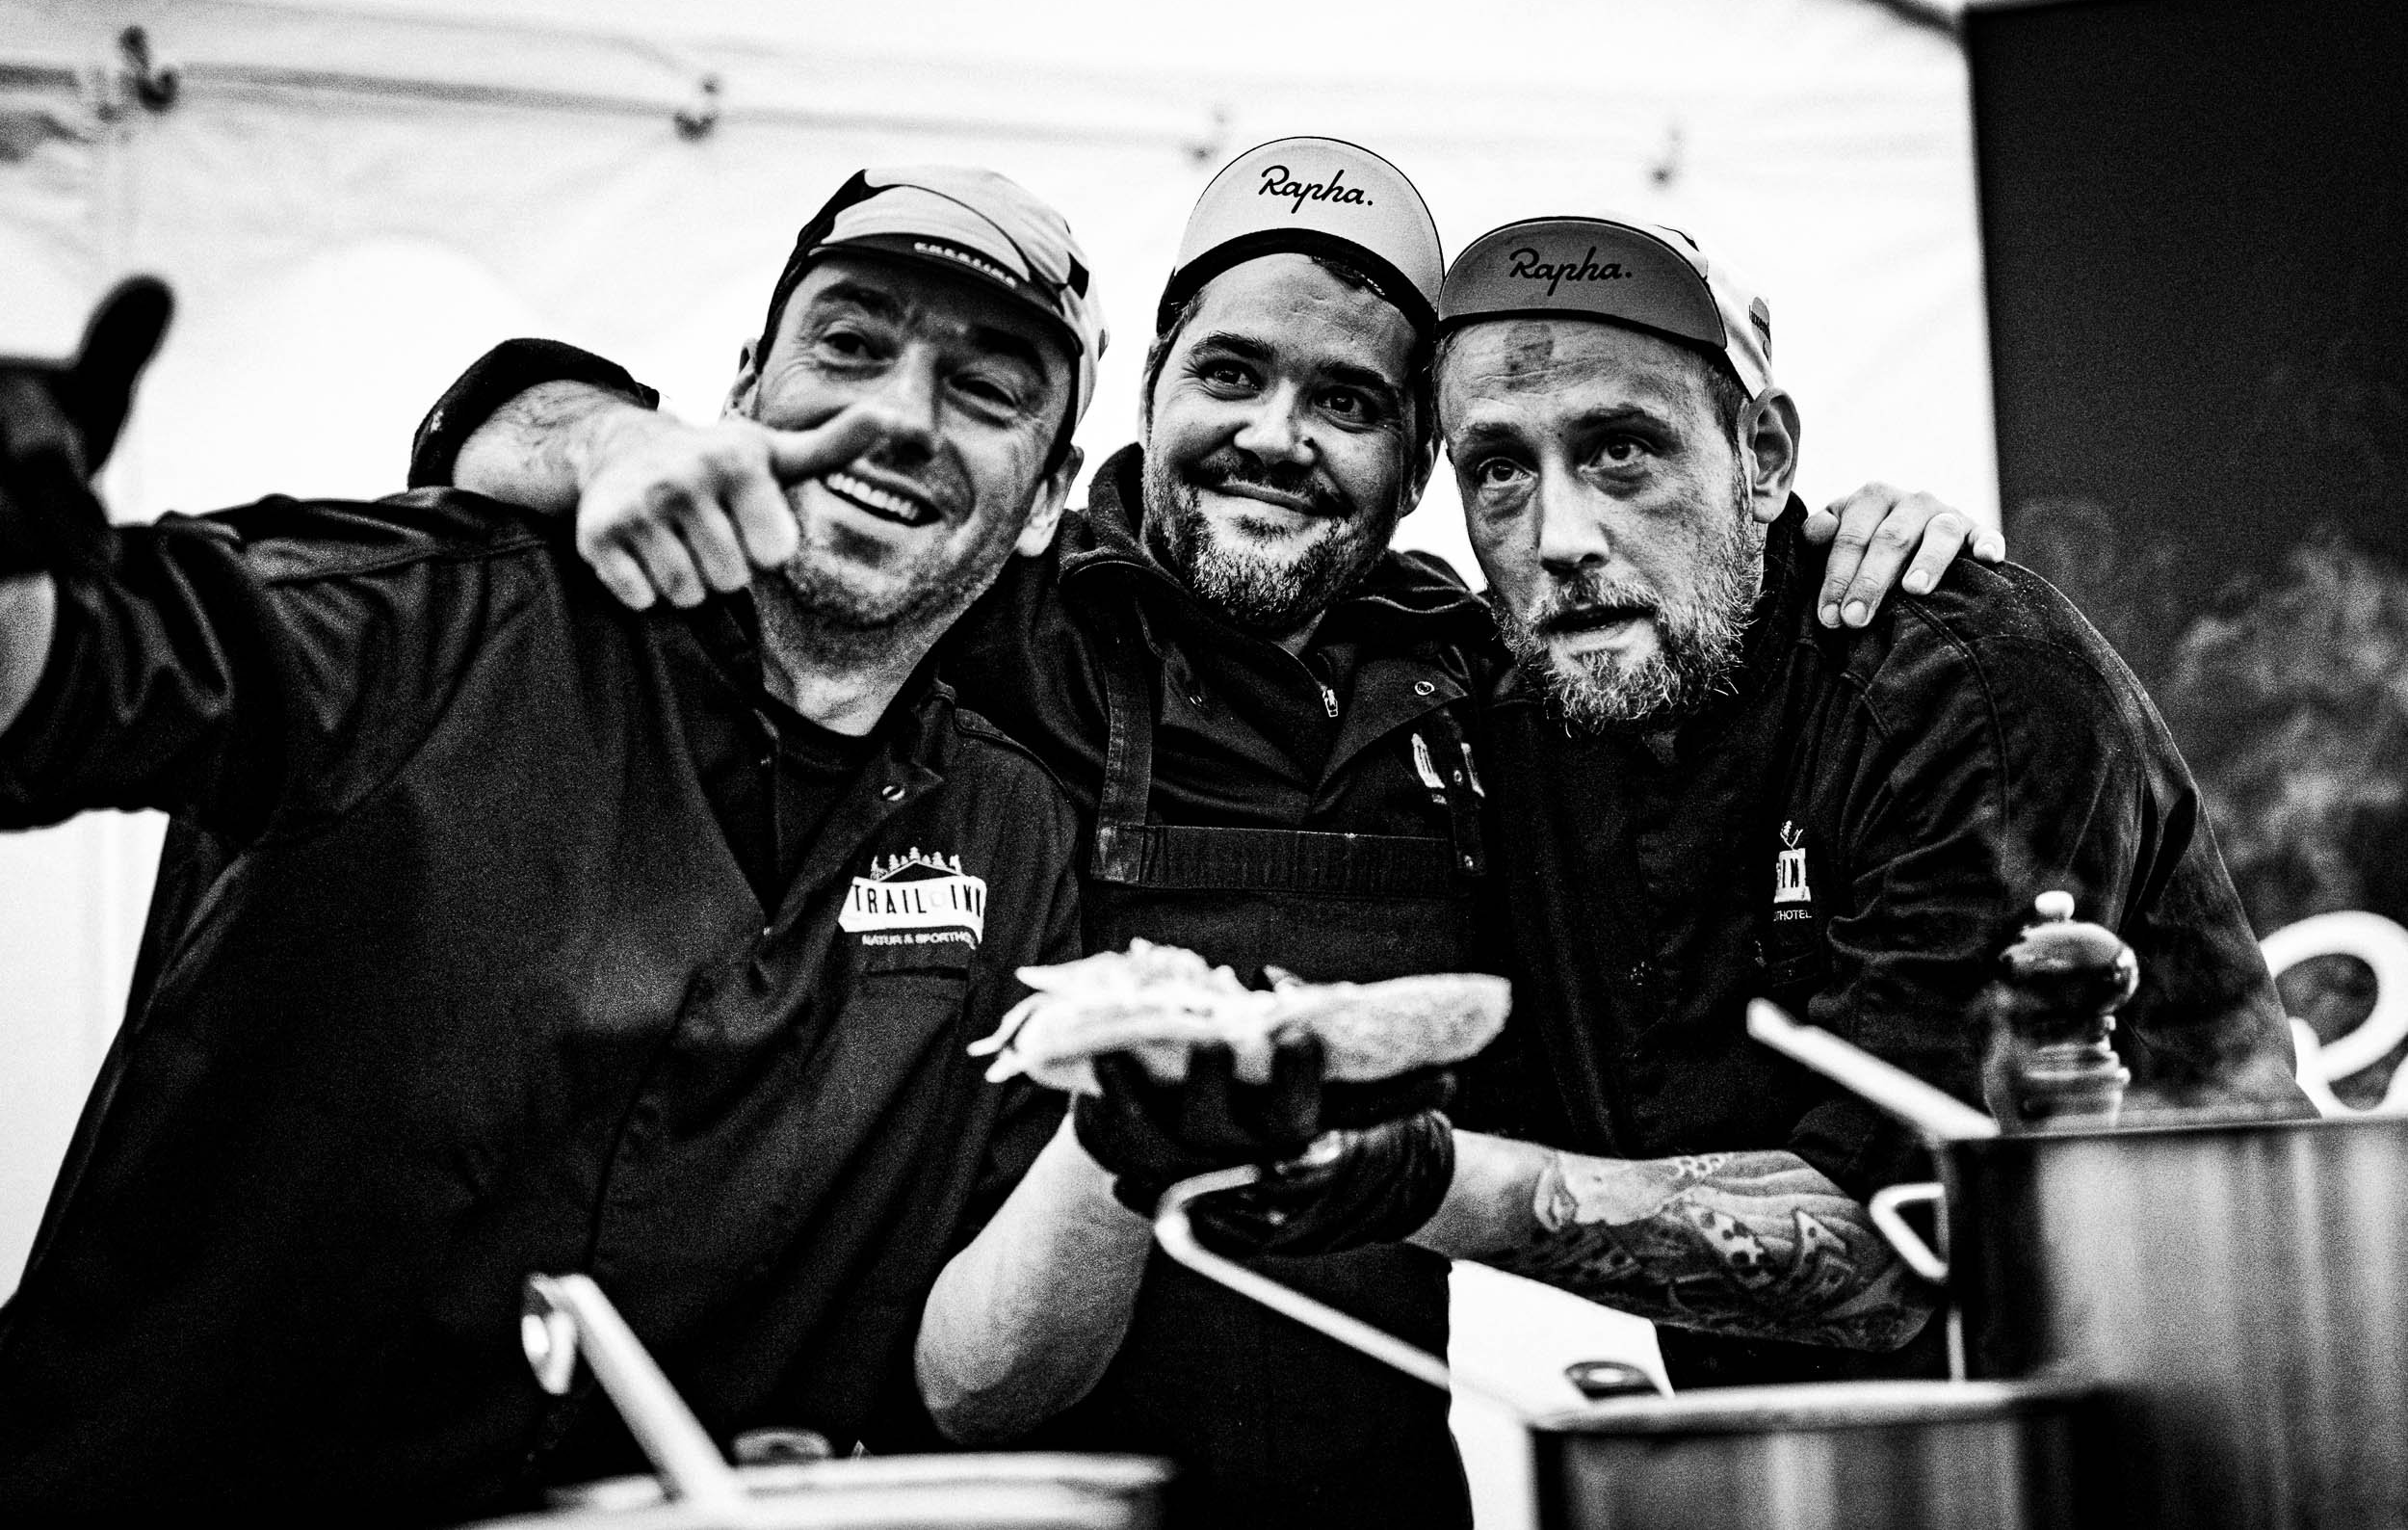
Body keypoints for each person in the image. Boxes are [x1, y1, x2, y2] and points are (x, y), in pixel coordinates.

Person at [409, 140, 1994, 1529]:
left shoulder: (1483, 688)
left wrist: (1836, 537)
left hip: (1379, 1488)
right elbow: (534, 452)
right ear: (1152, 381)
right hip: (1026, 1481)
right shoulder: (977, 624)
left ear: (1421, 459)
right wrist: (592, 428)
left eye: (1350, 400)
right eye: (1230, 373)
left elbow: (1692, 635)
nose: (1275, 433)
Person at [0, 166, 1108, 1522]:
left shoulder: (1010, 831)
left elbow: (970, 1359)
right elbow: (73, 675)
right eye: (852, 342)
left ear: (1049, 498)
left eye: (987, 388)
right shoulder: (437, 623)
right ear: (745, 383)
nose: (895, 416)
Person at [1395, 212, 2312, 1386]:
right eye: (1499, 469)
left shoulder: (1965, 684)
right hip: (1809, 1459)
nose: (1560, 536)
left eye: (1621, 449)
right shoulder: (1509, 720)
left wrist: (1413, 1185)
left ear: (1764, 455)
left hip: (2198, 1427)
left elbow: (1898, 1244)